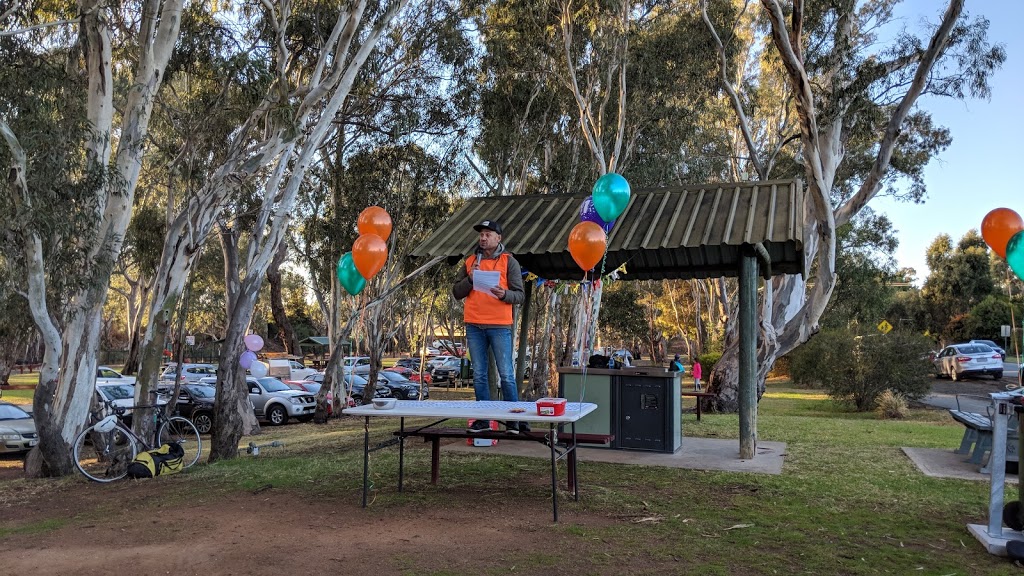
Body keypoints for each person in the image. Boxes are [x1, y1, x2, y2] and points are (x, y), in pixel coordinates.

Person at [452, 219, 528, 434]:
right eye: (481, 235)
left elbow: (519, 295)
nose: (483, 238)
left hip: (499, 325)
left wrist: (505, 294)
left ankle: (513, 421)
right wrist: (470, 278)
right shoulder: (469, 262)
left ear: (498, 238)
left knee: (506, 374)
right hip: (474, 324)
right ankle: (483, 420)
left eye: (488, 234)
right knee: (479, 375)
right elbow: (457, 292)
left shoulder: (508, 261)